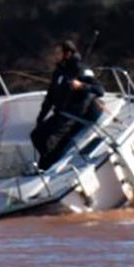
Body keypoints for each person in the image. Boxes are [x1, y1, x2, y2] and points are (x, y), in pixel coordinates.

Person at [30, 40, 104, 170]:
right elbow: (50, 97)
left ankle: (47, 167)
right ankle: (48, 162)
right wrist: (40, 118)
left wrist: (82, 86)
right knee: (36, 135)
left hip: (75, 115)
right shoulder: (59, 72)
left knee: (49, 142)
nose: (55, 56)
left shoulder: (81, 70)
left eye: (58, 53)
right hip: (61, 113)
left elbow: (100, 90)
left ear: (68, 54)